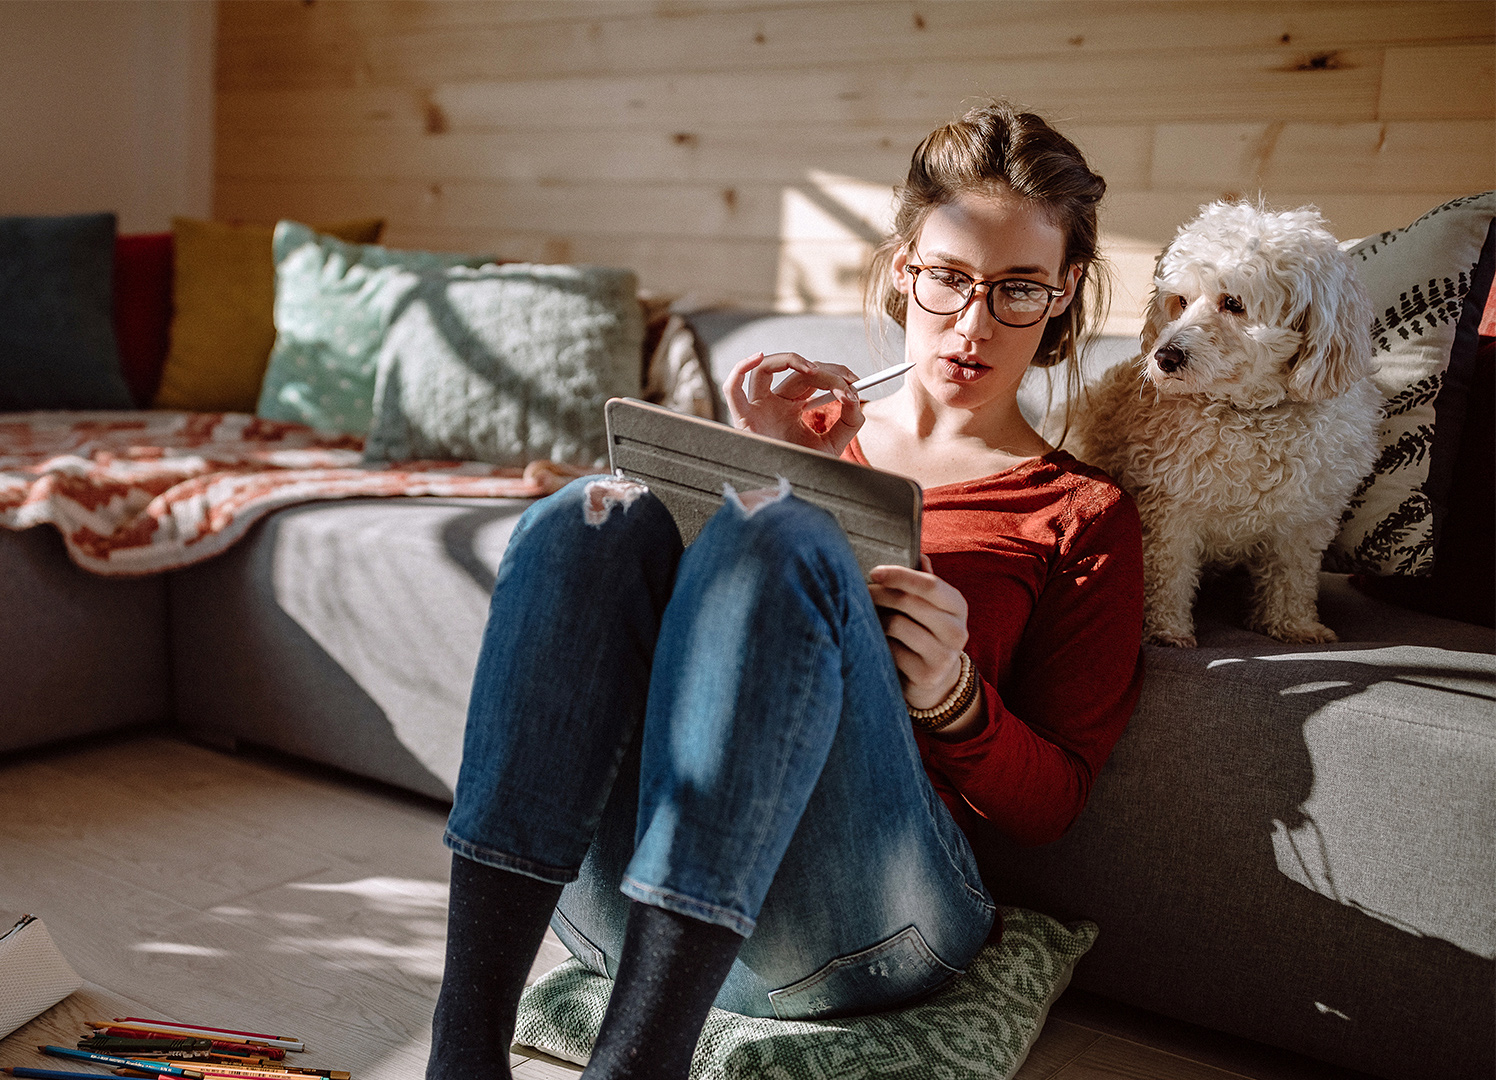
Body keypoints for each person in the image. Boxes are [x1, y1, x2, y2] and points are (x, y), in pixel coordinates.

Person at [427, 102, 1146, 1080]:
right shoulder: (813, 431)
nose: (974, 323)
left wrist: (954, 698)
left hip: (873, 925)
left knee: (785, 536)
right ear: (905, 271)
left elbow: (1054, 804)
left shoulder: (1082, 511)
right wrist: (761, 465)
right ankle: (460, 1058)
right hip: (623, 905)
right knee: (591, 510)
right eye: (948, 279)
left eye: (1019, 289)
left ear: (1064, 296)